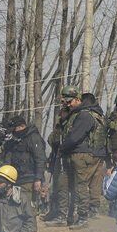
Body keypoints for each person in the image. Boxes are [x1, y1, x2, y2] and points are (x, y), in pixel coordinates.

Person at [57, 91, 107, 228]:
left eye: (69, 101)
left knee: (80, 185)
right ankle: (89, 211)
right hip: (97, 153)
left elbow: (75, 136)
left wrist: (63, 148)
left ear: (80, 100)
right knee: (92, 184)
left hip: (81, 153)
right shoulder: (98, 115)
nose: (68, 105)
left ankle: (82, 216)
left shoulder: (84, 115)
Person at [0, 115, 46, 232]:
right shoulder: (12, 141)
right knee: (17, 212)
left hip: (30, 181)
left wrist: (38, 179)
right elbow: (7, 161)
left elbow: (40, 159)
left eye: (14, 129)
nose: (12, 132)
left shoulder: (33, 138)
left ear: (20, 127)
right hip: (16, 182)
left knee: (29, 213)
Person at [45, 87, 76, 222]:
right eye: (64, 100)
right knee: (61, 185)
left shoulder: (78, 115)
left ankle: (73, 213)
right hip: (61, 155)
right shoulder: (62, 115)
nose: (65, 103)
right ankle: (61, 214)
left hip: (73, 155)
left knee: (75, 187)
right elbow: (54, 137)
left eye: (68, 101)